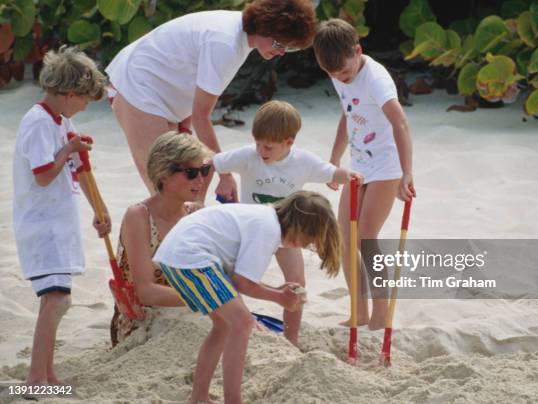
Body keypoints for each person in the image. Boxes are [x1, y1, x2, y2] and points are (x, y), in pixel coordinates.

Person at [106, 0, 317, 199]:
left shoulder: (239, 37)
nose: (281, 52)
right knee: (168, 194)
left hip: (160, 93)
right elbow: (202, 116)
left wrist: (183, 128)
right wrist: (224, 175)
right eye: (280, 44)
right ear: (266, 27)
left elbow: (189, 77)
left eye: (288, 48)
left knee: (183, 189)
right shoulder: (225, 43)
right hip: (136, 85)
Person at [153, 191, 340, 404]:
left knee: (224, 325)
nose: (302, 246)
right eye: (306, 241)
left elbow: (239, 279)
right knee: (242, 323)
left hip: (179, 255)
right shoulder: (268, 229)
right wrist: (280, 298)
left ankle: (198, 398)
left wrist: (277, 291)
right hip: (191, 257)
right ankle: (232, 400)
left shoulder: (263, 217)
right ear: (300, 228)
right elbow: (243, 283)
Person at [212, 99, 361, 345]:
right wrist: (223, 178)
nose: (261, 151)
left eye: (268, 147)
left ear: (288, 142)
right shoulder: (249, 155)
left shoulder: (302, 161)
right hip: (250, 233)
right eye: (258, 143)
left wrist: (350, 176)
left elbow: (332, 173)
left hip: (287, 234)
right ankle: (230, 324)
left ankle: (291, 339)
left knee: (296, 281)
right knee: (234, 277)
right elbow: (213, 161)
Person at [12, 46, 110, 387]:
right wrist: (68, 149)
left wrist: (100, 209)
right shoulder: (38, 123)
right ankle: (37, 377)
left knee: (55, 300)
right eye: (84, 100)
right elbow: (42, 174)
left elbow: (78, 168)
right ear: (70, 94)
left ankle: (46, 374)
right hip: (42, 225)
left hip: (58, 224)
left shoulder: (63, 120)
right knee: (58, 299)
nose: (85, 106)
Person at [312, 19, 417, 330]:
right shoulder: (338, 73)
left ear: (357, 51)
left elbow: (400, 124)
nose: (340, 80)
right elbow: (348, 115)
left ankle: (382, 317)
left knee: (367, 239)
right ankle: (359, 313)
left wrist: (407, 173)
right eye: (333, 76)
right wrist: (334, 160)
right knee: (344, 239)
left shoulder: (377, 80)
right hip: (358, 166)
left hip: (387, 166)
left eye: (344, 73)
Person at [110, 131, 214, 346]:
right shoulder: (139, 216)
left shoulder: (195, 214)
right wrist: (205, 296)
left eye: (204, 170)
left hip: (188, 308)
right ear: (163, 174)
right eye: (191, 173)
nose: (201, 180)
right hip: (143, 320)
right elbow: (145, 292)